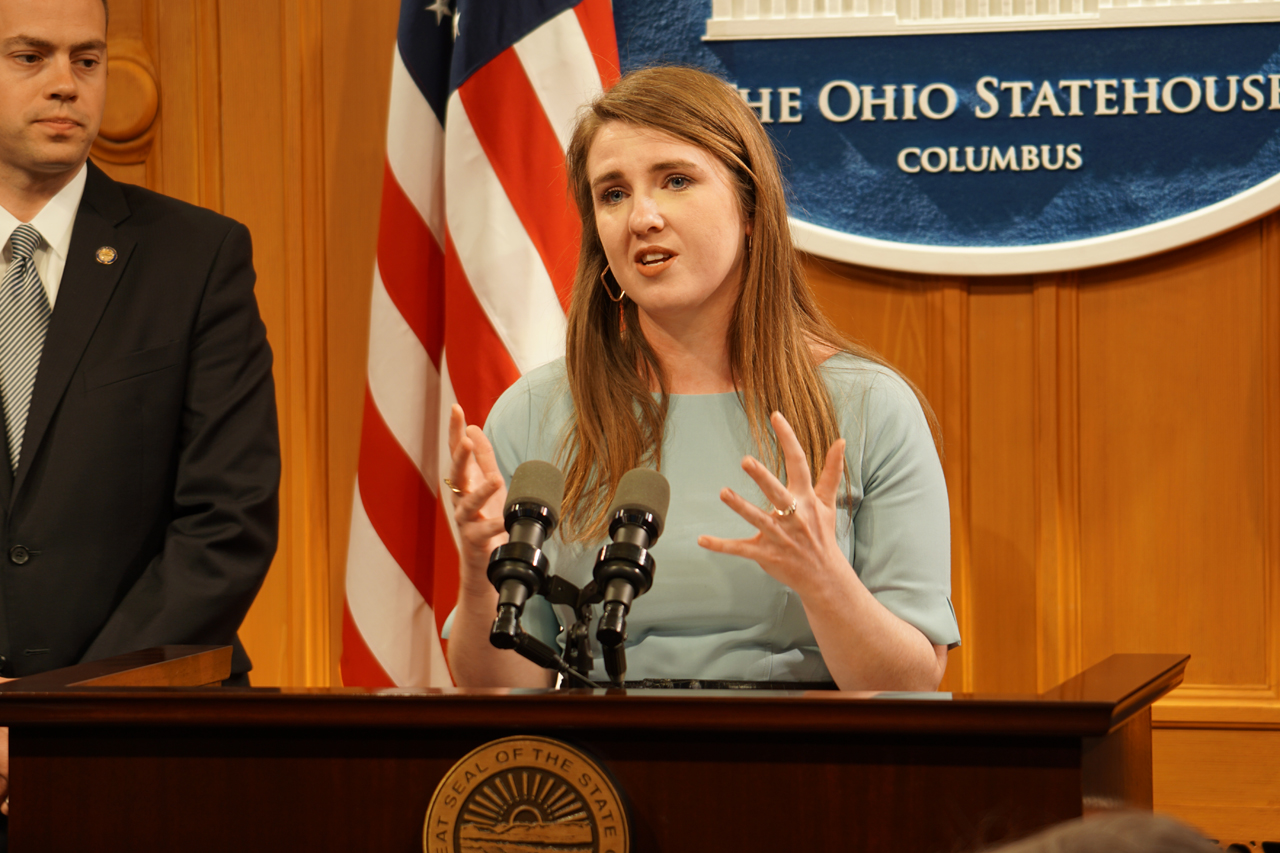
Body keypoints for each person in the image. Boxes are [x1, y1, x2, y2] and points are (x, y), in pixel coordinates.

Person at [445, 65, 957, 690]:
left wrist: (826, 582)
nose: (643, 217)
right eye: (613, 193)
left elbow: (910, 685)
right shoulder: (533, 411)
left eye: (676, 180)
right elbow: (497, 691)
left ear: (750, 209)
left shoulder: (870, 405)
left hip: (810, 768)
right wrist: (479, 571)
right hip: (598, 772)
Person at [0, 0, 279, 821]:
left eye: (87, 60)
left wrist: (61, 716)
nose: (66, 85)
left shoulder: (200, 258)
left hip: (146, 736)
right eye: (30, 57)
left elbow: (227, 522)